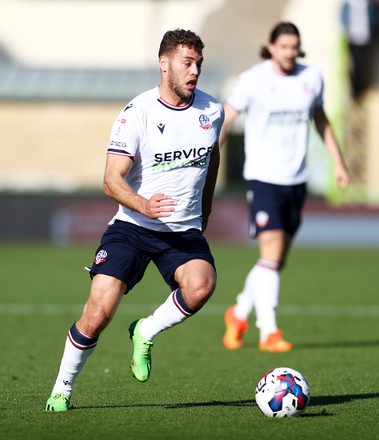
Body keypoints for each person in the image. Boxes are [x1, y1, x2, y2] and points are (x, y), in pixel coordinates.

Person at [45, 28, 224, 412]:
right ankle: (62, 388)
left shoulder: (212, 111)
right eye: (187, 62)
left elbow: (212, 162)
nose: (195, 71)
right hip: (132, 227)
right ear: (164, 64)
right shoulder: (137, 113)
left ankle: (146, 330)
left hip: (182, 231)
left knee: (202, 285)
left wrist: (204, 211)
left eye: (199, 64)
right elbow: (111, 179)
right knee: (97, 313)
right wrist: (143, 205)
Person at [221, 22, 350, 353]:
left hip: (296, 180)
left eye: (295, 46)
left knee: (274, 261)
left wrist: (338, 162)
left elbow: (320, 118)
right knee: (270, 254)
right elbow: (226, 117)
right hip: (263, 179)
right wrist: (208, 154)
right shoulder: (252, 80)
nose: (290, 52)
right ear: (271, 46)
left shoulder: (311, 78)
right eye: (284, 46)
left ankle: (238, 313)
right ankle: (269, 332)